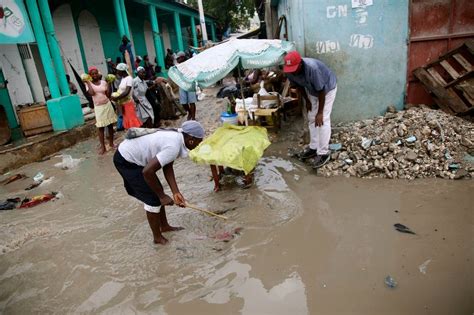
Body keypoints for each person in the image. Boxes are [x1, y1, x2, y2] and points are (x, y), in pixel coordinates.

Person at [113, 121, 204, 244]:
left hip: (135, 158)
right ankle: (157, 237)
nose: (199, 145)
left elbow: (167, 166)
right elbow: (147, 171)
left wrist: (175, 192)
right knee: (153, 199)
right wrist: (162, 196)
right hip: (126, 160)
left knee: (157, 189)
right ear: (191, 139)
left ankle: (164, 226)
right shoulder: (173, 146)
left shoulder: (176, 138)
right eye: (199, 142)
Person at [283, 50, 337, 169]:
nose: (292, 71)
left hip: (327, 89)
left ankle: (323, 153)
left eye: (294, 68)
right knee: (311, 118)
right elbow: (299, 85)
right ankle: (313, 147)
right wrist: (306, 101)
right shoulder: (289, 71)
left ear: (300, 64)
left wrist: (320, 112)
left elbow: (321, 90)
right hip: (311, 91)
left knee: (323, 120)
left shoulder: (313, 69)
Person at [84, 67, 117, 155]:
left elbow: (108, 94)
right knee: (101, 128)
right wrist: (88, 82)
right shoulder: (88, 84)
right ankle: (103, 147)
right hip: (98, 107)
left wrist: (109, 83)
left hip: (107, 105)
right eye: (92, 74)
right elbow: (92, 93)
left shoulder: (103, 82)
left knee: (110, 126)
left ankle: (111, 143)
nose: (95, 75)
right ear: (90, 76)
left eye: (96, 73)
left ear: (98, 74)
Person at [111, 63, 142, 129]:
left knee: (132, 120)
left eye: (118, 70)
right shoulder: (123, 78)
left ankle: (136, 135)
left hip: (128, 103)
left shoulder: (129, 78)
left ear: (122, 71)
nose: (117, 72)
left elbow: (127, 92)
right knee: (127, 120)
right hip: (123, 103)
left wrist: (117, 98)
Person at [176, 51, 198, 120]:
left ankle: (193, 118)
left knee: (192, 101)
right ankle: (189, 112)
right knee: (183, 103)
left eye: (178, 58)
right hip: (182, 84)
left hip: (190, 84)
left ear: (182, 57)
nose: (177, 60)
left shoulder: (189, 64)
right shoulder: (178, 66)